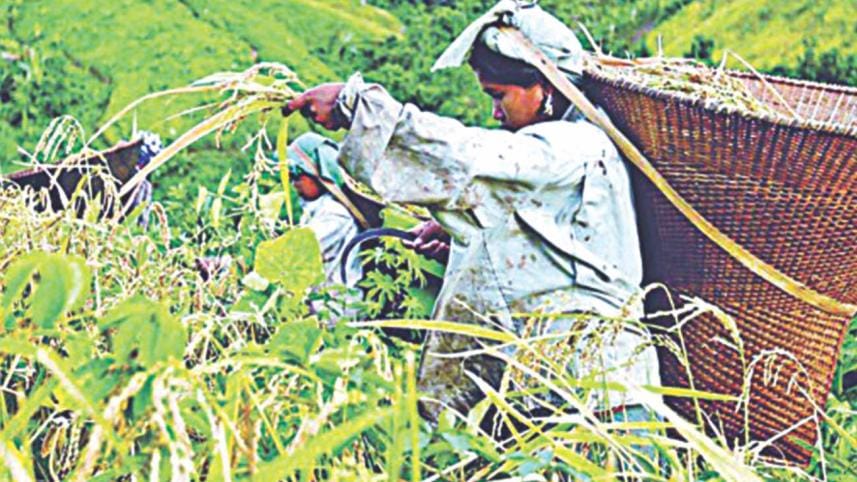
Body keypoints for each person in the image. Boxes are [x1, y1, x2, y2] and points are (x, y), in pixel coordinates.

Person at [283, 0, 659, 424]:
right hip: (560, 397)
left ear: (547, 88)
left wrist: (361, 110)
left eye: (499, 97)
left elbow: (472, 159)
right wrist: (460, 237)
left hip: (602, 404)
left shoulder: (576, 147)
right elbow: (546, 245)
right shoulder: (565, 150)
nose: (495, 112)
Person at [287, 132, 362, 290]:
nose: (294, 183)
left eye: (298, 175)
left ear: (317, 174)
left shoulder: (334, 215)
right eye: (290, 177)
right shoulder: (317, 208)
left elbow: (294, 253)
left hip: (336, 307)